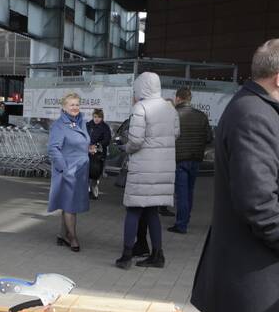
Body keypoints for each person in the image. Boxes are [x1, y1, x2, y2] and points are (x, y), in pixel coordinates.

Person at [190, 38, 279, 312]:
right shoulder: (253, 114)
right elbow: (256, 200)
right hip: (252, 276)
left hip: (253, 270)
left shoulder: (259, 109)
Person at [115, 72, 179, 269]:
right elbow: (176, 134)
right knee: (152, 212)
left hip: (143, 167)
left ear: (141, 88)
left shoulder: (140, 108)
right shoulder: (170, 108)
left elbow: (135, 140)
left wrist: (125, 148)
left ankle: (126, 256)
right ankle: (157, 255)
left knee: (133, 210)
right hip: (164, 167)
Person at [48, 93, 90, 252]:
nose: (75, 108)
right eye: (72, 105)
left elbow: (81, 142)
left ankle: (62, 234)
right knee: (70, 206)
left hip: (79, 171)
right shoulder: (59, 125)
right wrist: (65, 169)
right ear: (64, 107)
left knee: (70, 204)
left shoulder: (80, 122)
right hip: (68, 171)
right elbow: (53, 149)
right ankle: (72, 238)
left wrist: (88, 148)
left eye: (77, 104)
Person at [169, 87, 213, 234]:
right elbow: (209, 138)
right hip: (195, 158)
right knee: (189, 191)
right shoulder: (202, 116)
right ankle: (185, 218)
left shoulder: (173, 115)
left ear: (178, 98)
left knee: (181, 192)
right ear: (190, 99)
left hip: (179, 159)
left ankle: (181, 224)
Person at [86, 108, 111, 199]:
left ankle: (94, 190)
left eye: (99, 117)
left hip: (98, 155)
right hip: (87, 153)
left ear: (102, 118)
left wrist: (97, 145)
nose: (97, 119)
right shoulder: (88, 125)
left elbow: (107, 140)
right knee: (86, 173)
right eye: (95, 117)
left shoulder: (105, 127)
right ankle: (87, 191)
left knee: (95, 174)